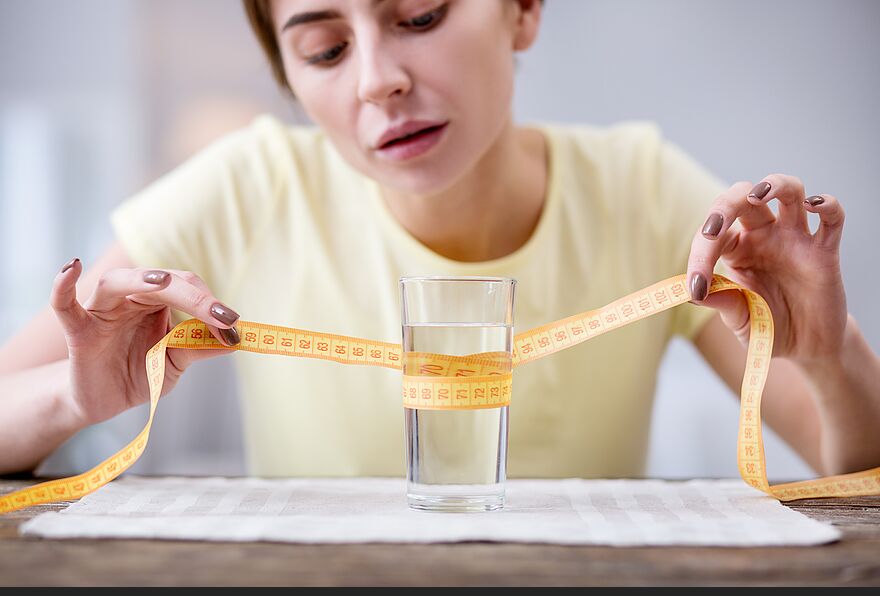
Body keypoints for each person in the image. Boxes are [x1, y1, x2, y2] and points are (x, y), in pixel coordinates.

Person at [0, 0, 877, 480]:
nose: (379, 79)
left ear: (523, 11)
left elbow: (850, 466)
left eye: (418, 16)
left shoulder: (643, 189)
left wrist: (829, 354)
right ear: (290, 80)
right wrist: (75, 401)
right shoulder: (243, 187)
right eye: (325, 48)